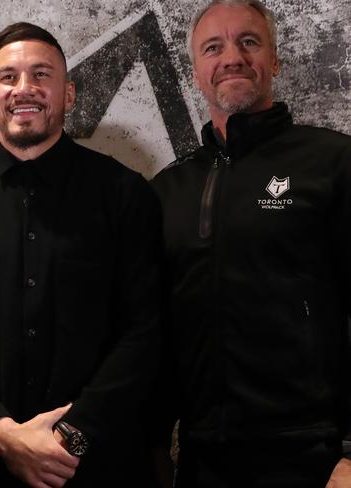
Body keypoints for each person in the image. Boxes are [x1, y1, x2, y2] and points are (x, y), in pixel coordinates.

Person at [0, 22, 162, 488]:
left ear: (67, 94)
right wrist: (2, 434)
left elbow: (146, 331)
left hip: (101, 464)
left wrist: (71, 436)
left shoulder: (125, 195)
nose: (24, 89)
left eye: (41, 75)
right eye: (8, 77)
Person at [151, 1, 351, 486]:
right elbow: (150, 329)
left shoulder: (333, 162)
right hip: (202, 457)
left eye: (249, 41)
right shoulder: (167, 189)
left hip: (315, 457)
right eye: (213, 47)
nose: (232, 57)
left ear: (275, 60)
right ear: (197, 70)